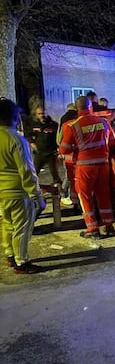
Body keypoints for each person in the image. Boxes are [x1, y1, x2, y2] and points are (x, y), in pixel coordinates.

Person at [59, 95, 115, 239]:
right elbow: (113, 142)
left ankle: (92, 228)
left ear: (77, 108)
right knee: (103, 195)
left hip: (84, 166)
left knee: (85, 196)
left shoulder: (72, 126)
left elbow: (64, 150)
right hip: (103, 165)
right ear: (91, 107)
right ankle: (108, 225)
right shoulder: (104, 122)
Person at [0, 98, 46, 274]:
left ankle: (10, 254)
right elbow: (27, 171)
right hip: (18, 193)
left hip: (2, 193)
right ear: (14, 117)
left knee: (8, 224)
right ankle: (22, 262)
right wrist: (36, 195)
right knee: (22, 227)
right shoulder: (17, 140)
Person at [24, 105, 62, 185]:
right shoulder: (34, 125)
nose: (42, 115)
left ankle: (59, 189)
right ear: (36, 115)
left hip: (50, 153)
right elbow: (28, 135)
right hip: (39, 153)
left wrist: (58, 149)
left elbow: (58, 138)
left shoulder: (53, 125)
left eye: (43, 113)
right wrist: (31, 143)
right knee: (34, 172)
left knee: (54, 173)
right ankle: (33, 189)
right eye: (39, 114)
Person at [57, 103, 79, 207]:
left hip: (68, 156)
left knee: (70, 177)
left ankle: (69, 197)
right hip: (77, 156)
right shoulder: (77, 123)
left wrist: (61, 152)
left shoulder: (63, 121)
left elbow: (59, 140)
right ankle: (64, 195)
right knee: (72, 179)